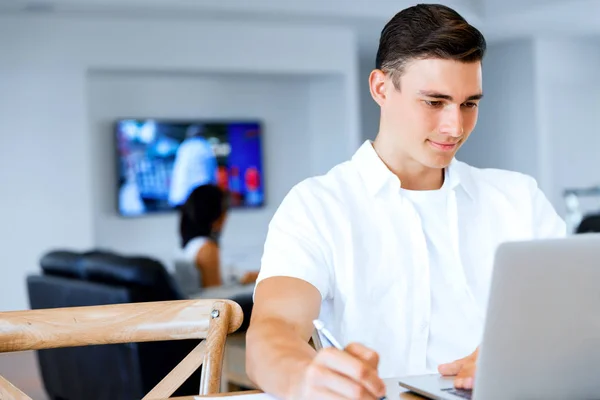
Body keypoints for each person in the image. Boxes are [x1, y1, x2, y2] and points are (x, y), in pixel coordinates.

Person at [245, 3, 566, 400]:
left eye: (469, 103)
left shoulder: (520, 199)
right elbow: (273, 329)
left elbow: (578, 317)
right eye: (434, 102)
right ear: (381, 88)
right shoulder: (317, 206)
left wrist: (528, 354)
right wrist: (300, 377)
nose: (455, 126)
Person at [177, 184, 259, 288]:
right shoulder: (207, 249)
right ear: (215, 215)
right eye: (225, 210)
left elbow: (241, 277)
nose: (227, 217)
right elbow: (214, 294)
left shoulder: (192, 246)